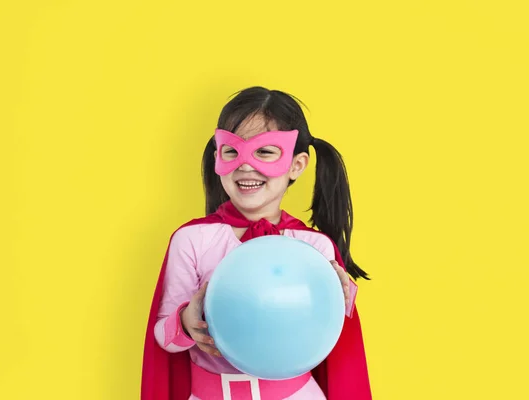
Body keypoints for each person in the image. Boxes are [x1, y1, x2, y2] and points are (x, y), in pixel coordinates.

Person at [141, 86, 372, 399]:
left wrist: (341, 297)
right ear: (217, 158)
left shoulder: (313, 247)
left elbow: (328, 337)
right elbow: (163, 338)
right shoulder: (192, 240)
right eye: (232, 151)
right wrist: (185, 321)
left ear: (297, 165)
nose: (245, 165)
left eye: (265, 151)